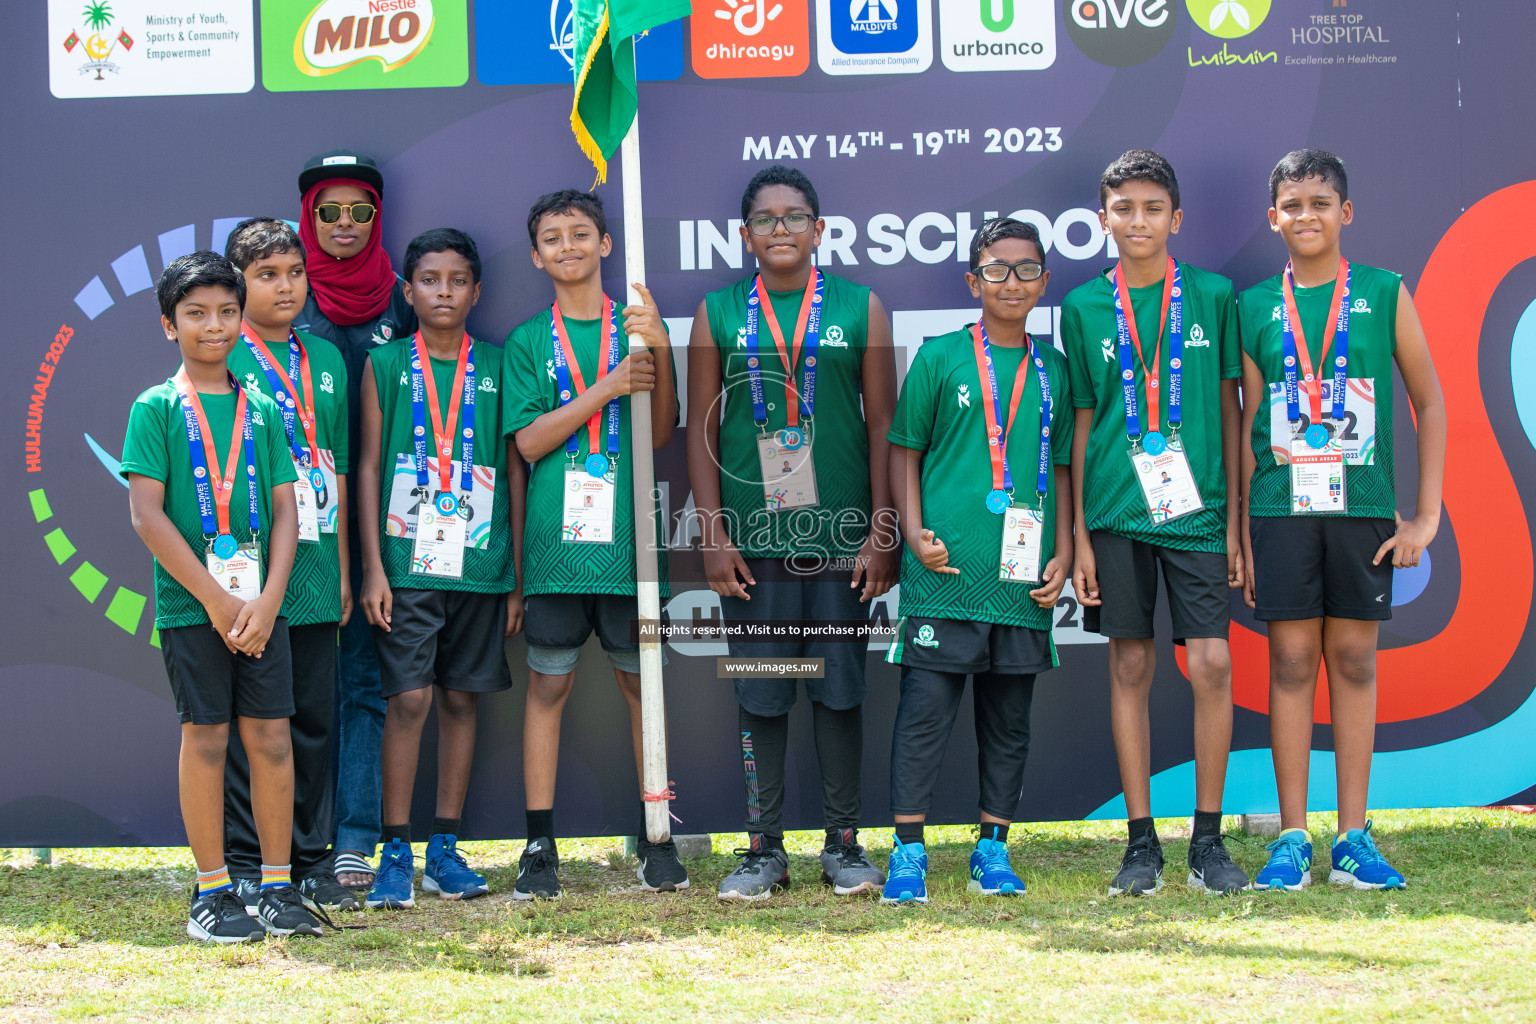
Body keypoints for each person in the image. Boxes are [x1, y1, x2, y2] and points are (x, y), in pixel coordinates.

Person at [687, 165, 897, 900]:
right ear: (744, 236)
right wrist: (712, 534)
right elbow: (701, 430)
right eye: (766, 219)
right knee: (763, 693)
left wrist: (882, 531)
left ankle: (843, 845)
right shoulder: (716, 312)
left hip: (841, 543)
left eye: (794, 216)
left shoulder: (861, 307)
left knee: (839, 692)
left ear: (820, 229)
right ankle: (761, 848)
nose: (781, 229)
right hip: (752, 547)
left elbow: (882, 427)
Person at [1240, 150, 1445, 891]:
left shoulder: (1386, 292)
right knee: (1292, 663)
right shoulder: (1255, 305)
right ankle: (1292, 838)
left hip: (1362, 513)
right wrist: (1240, 530)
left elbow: (1429, 402)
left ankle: (1352, 836)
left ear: (1346, 213)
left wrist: (1426, 517)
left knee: (1354, 663)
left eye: (1320, 202)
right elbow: (1248, 425)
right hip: (1282, 510)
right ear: (1273, 219)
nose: (1306, 215)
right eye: (1291, 204)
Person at [1061, 150, 1250, 896]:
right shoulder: (1081, 307)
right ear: (1102, 218)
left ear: (1177, 217)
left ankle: (1207, 840)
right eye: (1122, 208)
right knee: (1130, 666)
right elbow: (1078, 428)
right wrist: (1077, 536)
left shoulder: (1213, 295)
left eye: (1150, 208)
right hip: (1114, 514)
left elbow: (1236, 416)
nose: (1136, 221)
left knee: (1211, 665)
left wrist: (1235, 522)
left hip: (1198, 517)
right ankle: (1141, 844)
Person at [121, 251, 320, 940]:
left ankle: (275, 885)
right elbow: (148, 515)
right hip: (191, 606)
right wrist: (214, 599)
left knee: (270, 738)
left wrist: (266, 602)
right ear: (168, 325)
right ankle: (212, 891)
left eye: (227, 312)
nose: (215, 326)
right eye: (196, 314)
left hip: (262, 610)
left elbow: (289, 513)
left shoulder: (262, 409)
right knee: (205, 739)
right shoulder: (155, 407)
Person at [880, 218, 1073, 905]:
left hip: (1022, 580)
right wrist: (912, 531)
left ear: (1044, 281)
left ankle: (993, 849)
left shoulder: (1054, 369)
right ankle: (908, 851)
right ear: (973, 281)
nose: (1011, 282)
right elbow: (904, 449)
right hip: (944, 576)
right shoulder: (940, 357)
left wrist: (1068, 550)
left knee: (1009, 718)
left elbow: (1065, 467)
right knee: (924, 713)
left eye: (1026, 270)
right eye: (996, 269)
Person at [504, 189, 684, 898]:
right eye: (553, 237)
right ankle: (539, 844)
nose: (568, 246)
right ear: (536, 254)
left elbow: (663, 429)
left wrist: (660, 349)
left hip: (631, 548)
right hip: (555, 549)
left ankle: (657, 836)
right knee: (547, 686)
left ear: (607, 245)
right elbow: (530, 441)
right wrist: (609, 386)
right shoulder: (527, 340)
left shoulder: (637, 326)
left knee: (644, 688)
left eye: (581, 233)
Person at [357, 229, 525, 908]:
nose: (444, 291)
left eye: (458, 280)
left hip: (480, 562)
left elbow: (514, 463)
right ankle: (394, 848)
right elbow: (366, 465)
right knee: (410, 699)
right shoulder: (387, 364)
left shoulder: (498, 360)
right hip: (406, 563)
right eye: (429, 280)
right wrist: (372, 566)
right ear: (408, 291)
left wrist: (512, 573)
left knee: (461, 698)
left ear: (477, 291)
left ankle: (444, 849)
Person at [224, 218, 359, 913]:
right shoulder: (224, 358)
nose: (286, 286)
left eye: (295, 272)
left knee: (313, 718)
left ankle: (311, 858)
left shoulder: (328, 360)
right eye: (267, 275)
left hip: (315, 564)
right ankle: (247, 859)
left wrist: (340, 569)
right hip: (251, 575)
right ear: (237, 285)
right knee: (257, 724)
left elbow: (334, 464)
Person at [293, 150, 418, 891]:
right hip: (296, 530)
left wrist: (369, 557)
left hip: (386, 528)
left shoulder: (401, 301)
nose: (344, 225)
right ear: (308, 219)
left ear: (378, 217)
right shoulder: (284, 294)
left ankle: (354, 839)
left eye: (359, 212)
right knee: (295, 694)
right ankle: (295, 841)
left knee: (365, 688)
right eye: (329, 213)